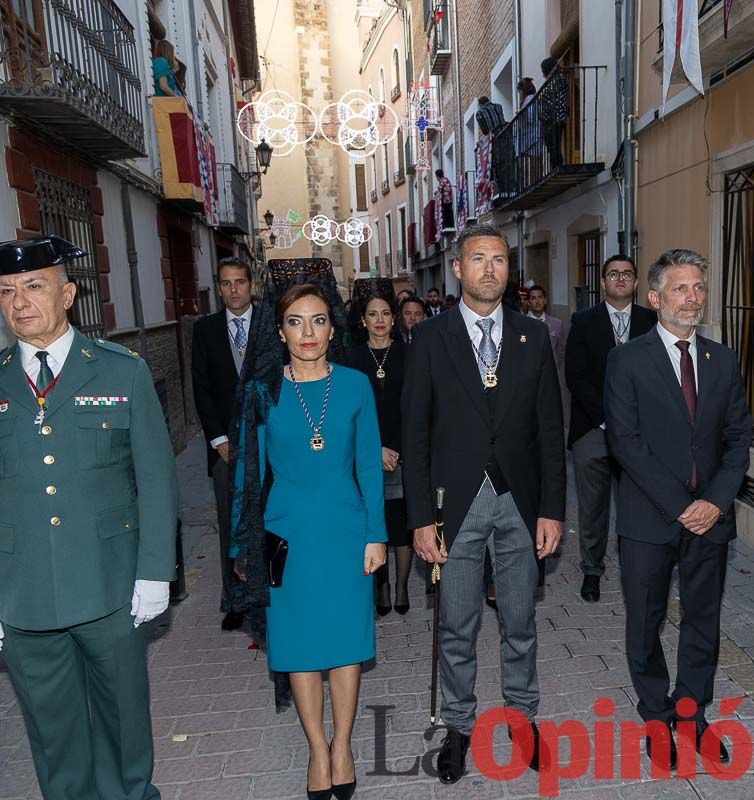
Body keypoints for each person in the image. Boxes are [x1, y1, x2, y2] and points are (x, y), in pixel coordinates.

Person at [0, 236, 177, 800]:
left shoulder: (121, 372)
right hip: (22, 596)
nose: (20, 302)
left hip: (110, 585)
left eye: (33, 286)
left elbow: (155, 479)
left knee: (124, 724)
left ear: (67, 293)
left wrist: (155, 571)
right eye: (6, 292)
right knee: (55, 739)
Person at [402, 224, 566, 784]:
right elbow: (416, 434)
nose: (491, 269)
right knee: (457, 623)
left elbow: (550, 428)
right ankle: (459, 725)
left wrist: (552, 508)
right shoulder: (429, 338)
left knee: (520, 620)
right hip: (457, 505)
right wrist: (421, 516)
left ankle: (523, 717)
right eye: (479, 259)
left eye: (499, 260)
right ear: (458, 268)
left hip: (519, 503)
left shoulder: (533, 335)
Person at [231, 283, 387, 799]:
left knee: (345, 644)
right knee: (300, 649)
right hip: (287, 537)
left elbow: (368, 465)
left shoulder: (356, 385)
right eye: (295, 322)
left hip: (346, 533)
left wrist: (376, 535)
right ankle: (317, 751)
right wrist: (240, 545)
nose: (308, 332)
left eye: (318, 320)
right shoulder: (263, 392)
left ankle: (343, 745)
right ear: (279, 332)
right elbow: (247, 477)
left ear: (333, 328)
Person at [605, 249, 753, 768]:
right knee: (645, 622)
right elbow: (626, 441)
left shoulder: (723, 359)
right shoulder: (626, 360)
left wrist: (713, 502)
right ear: (654, 298)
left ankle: (691, 714)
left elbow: (739, 440)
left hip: (710, 520)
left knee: (702, 620)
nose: (692, 298)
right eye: (680, 289)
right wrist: (680, 505)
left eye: (698, 288)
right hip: (649, 519)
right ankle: (654, 713)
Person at [564, 255, 657, 601]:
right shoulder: (584, 321)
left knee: (637, 504)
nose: (620, 279)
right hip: (592, 427)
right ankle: (592, 570)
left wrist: (632, 418)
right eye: (613, 274)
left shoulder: (652, 321)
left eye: (627, 274)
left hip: (640, 430)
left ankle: (638, 570)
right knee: (592, 507)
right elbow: (576, 376)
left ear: (636, 283)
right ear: (603, 282)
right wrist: (609, 415)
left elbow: (657, 377)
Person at [191, 257, 252, 631]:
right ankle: (234, 600)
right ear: (219, 287)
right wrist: (219, 441)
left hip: (268, 443)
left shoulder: (270, 324)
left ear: (251, 283)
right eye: (226, 283)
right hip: (225, 448)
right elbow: (202, 388)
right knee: (231, 523)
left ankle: (268, 593)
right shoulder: (205, 330)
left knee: (268, 521)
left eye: (239, 282)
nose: (233, 289)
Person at [349, 291, 412, 616]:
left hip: (404, 452)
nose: (379, 320)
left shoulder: (408, 354)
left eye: (385, 313)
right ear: (363, 321)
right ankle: (381, 586)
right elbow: (349, 414)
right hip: (366, 453)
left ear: (393, 318)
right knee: (375, 522)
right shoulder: (352, 359)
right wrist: (376, 449)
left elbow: (415, 408)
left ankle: (401, 585)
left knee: (401, 522)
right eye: (372, 314)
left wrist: (398, 449)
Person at [539, 57, 568, 168]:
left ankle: (558, 167)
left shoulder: (559, 79)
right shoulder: (554, 80)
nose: (543, 75)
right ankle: (555, 166)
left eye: (543, 71)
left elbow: (554, 98)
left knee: (554, 144)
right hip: (551, 118)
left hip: (555, 117)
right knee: (551, 145)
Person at [526, 284, 564, 365]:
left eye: (540, 297)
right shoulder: (521, 324)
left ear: (545, 300)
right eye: (533, 298)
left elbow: (560, 354)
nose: (537, 301)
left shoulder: (557, 324)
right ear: (528, 303)